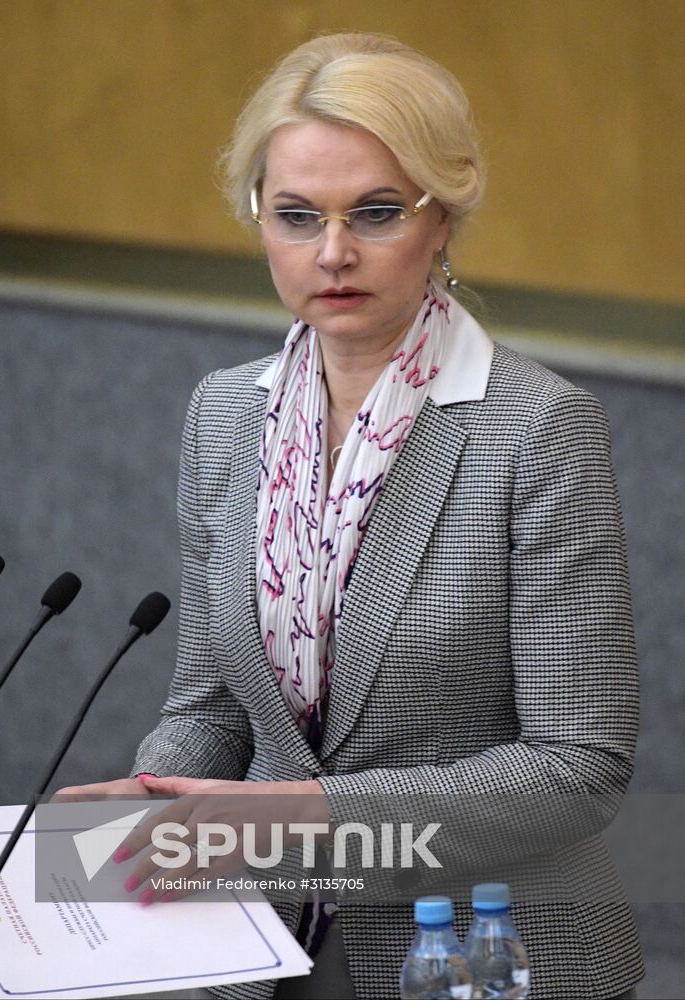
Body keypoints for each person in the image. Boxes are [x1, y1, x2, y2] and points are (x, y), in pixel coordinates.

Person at [60, 33, 643, 999]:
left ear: (443, 216)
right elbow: (210, 700)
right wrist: (153, 800)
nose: (331, 253)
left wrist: (302, 814)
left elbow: (577, 766)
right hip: (263, 941)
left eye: (374, 213)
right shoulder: (225, 414)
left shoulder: (536, 429)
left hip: (479, 949)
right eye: (294, 217)